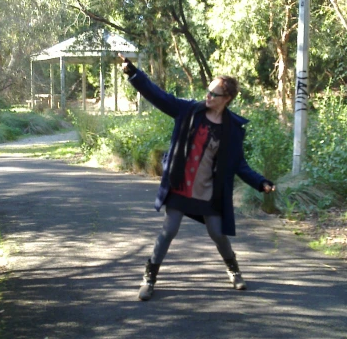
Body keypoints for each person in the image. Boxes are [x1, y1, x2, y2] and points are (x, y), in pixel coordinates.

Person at [118, 55, 275, 301]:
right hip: (180, 185)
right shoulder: (189, 110)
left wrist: (260, 182)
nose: (208, 96)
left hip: (207, 191)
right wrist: (134, 74)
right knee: (169, 230)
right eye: (208, 91)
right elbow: (160, 97)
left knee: (217, 232)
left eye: (214, 94)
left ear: (227, 99)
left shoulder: (232, 129)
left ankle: (233, 270)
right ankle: (149, 277)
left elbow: (239, 164)